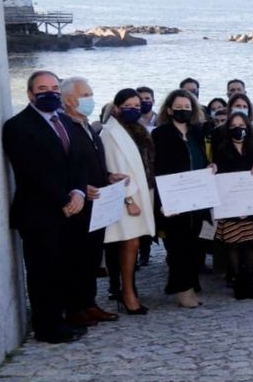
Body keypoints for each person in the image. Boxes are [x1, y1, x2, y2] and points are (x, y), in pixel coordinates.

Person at [2, 71, 91, 342]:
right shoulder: (18, 126)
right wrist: (63, 200)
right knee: (44, 272)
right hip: (39, 212)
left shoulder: (64, 121)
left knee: (65, 268)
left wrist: (77, 192)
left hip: (70, 209)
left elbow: (76, 163)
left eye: (54, 87)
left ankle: (62, 319)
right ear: (30, 94)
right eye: (42, 88)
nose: (49, 93)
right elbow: (31, 171)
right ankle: (47, 327)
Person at [60, 76, 121, 327]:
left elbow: (93, 160)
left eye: (90, 94)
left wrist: (108, 176)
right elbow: (60, 166)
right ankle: (75, 307)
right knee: (77, 257)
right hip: (78, 204)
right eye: (85, 95)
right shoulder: (64, 127)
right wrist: (79, 187)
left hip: (98, 202)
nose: (90, 99)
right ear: (69, 100)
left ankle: (89, 303)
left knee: (92, 256)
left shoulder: (86, 125)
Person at [152, 89, 215, 308]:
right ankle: (183, 290)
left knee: (199, 244)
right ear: (169, 110)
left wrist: (211, 166)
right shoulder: (160, 135)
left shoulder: (198, 133)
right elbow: (157, 170)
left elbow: (204, 159)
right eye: (178, 107)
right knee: (179, 247)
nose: (182, 111)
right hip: (175, 200)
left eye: (187, 107)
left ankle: (188, 283)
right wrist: (162, 203)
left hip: (199, 198)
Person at [100, 88, 157, 316]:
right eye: (128, 106)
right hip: (127, 197)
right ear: (116, 108)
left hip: (144, 192)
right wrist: (129, 199)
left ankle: (128, 289)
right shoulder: (110, 133)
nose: (134, 109)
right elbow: (116, 170)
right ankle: (127, 293)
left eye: (137, 106)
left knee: (132, 244)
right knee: (128, 245)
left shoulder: (138, 130)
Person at [211, 111, 253, 300]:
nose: (239, 129)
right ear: (228, 130)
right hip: (231, 203)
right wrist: (212, 168)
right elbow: (219, 173)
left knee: (250, 243)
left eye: (242, 126)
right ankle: (237, 279)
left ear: (248, 127)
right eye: (234, 126)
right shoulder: (222, 149)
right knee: (233, 243)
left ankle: (248, 278)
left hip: (252, 203)